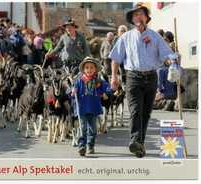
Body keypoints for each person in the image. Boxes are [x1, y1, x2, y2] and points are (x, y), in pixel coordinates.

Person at [109, 4, 181, 158]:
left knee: (146, 113)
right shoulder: (126, 37)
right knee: (135, 109)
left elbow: (166, 58)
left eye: (141, 14)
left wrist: (174, 61)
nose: (138, 17)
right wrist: (113, 77)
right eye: (135, 15)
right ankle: (135, 139)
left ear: (147, 18)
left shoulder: (155, 37)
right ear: (132, 19)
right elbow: (115, 59)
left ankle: (138, 144)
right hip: (133, 77)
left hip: (151, 77)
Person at [69, 57, 115, 156]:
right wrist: (73, 92)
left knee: (93, 129)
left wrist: (112, 87)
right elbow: (71, 93)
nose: (89, 69)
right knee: (83, 127)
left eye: (91, 67)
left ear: (95, 69)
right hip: (82, 109)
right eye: (87, 67)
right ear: (83, 70)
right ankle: (82, 145)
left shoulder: (98, 81)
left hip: (93, 108)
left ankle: (90, 145)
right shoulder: (79, 81)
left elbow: (107, 88)